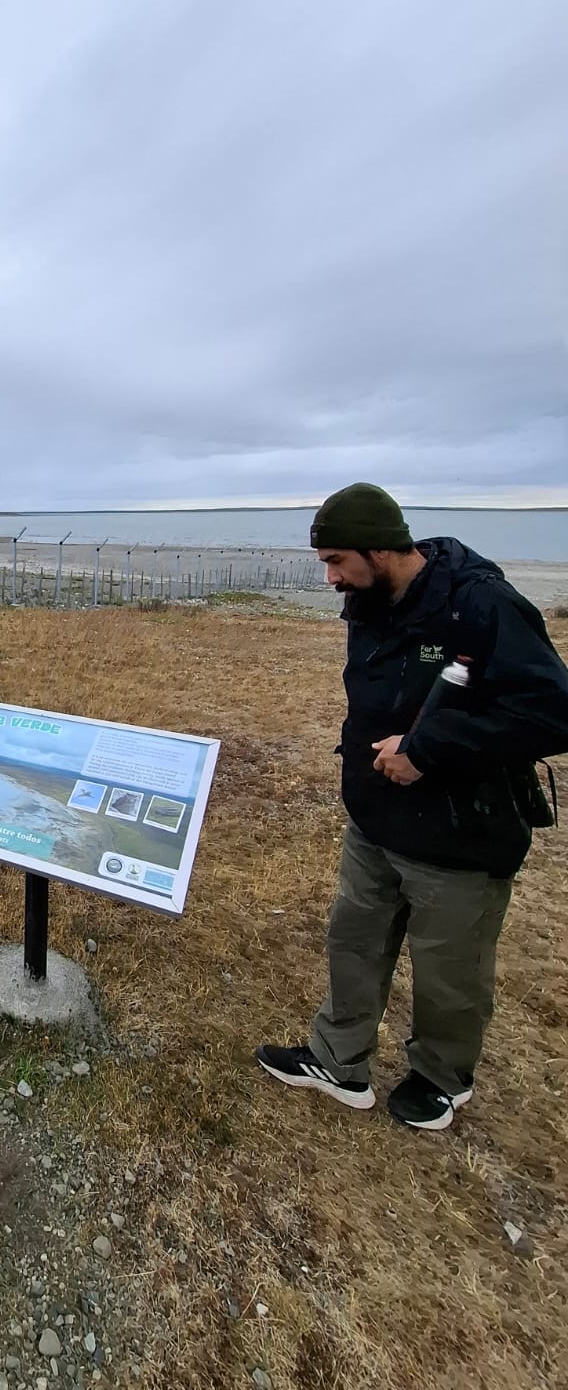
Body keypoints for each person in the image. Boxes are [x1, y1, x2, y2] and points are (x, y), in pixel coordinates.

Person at [256, 483, 568, 1131]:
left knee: (449, 967)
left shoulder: (480, 604)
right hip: (376, 820)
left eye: (338, 561)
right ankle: (339, 1060)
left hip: (462, 831)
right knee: (354, 939)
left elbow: (551, 713)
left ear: (382, 549)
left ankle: (440, 1077)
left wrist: (427, 749)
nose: (331, 577)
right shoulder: (368, 600)